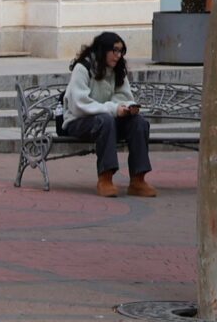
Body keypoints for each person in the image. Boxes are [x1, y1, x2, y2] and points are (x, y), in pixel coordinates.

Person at [62, 30, 154, 197]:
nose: (118, 55)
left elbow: (124, 97)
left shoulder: (117, 69)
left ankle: (138, 180)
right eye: (115, 50)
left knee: (138, 122)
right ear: (103, 50)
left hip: (106, 121)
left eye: (121, 51)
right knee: (105, 120)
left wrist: (127, 108)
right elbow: (79, 104)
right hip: (78, 121)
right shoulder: (83, 68)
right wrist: (113, 109)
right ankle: (105, 179)